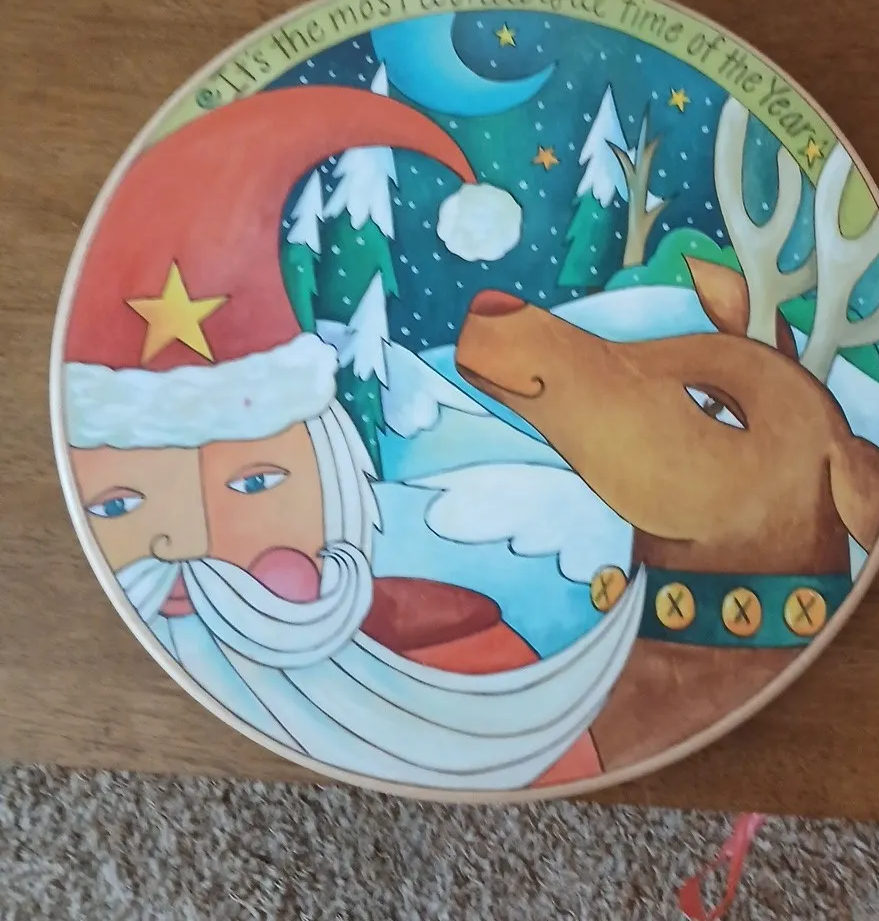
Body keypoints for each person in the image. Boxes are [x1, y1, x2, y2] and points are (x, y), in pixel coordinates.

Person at [60, 85, 645, 791]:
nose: (189, 548)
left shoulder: (475, 668)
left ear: (332, 480)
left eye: (255, 483)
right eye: (118, 505)